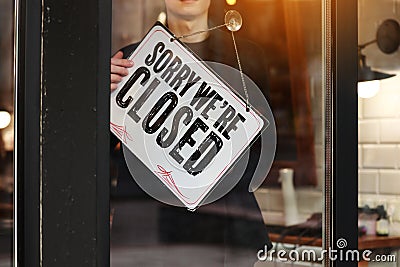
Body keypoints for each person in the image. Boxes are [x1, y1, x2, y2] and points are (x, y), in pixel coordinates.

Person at [110, 1, 272, 266]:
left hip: (227, 235)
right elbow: (93, 158)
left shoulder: (247, 59)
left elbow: (260, 150)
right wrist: (97, 95)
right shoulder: (128, 63)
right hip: (147, 237)